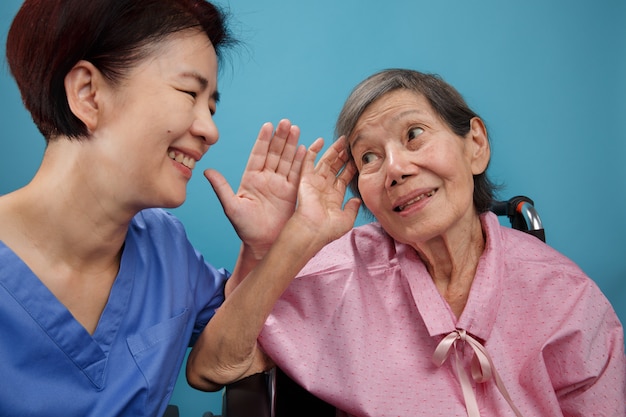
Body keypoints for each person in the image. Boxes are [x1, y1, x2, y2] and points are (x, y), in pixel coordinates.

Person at [188, 69, 626, 416]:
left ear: (475, 144)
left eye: (413, 134)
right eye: (369, 158)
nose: (395, 168)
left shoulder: (564, 294)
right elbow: (213, 368)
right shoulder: (340, 274)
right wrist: (292, 239)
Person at [0, 0, 340, 415]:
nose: (210, 129)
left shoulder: (164, 246)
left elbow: (228, 344)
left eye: (211, 107)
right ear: (88, 94)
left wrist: (262, 247)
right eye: (188, 93)